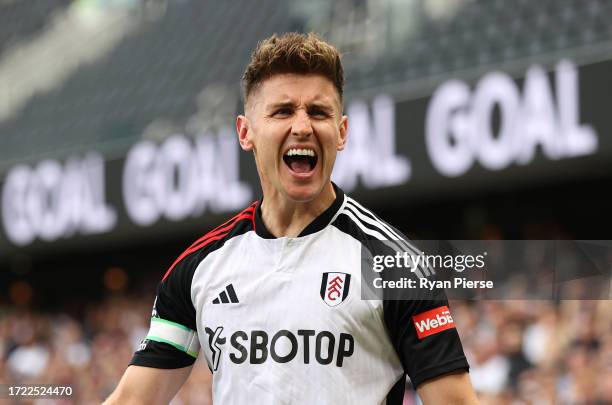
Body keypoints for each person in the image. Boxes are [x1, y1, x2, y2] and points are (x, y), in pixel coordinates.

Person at [104, 32, 479, 404]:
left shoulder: (394, 264)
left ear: (342, 132)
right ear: (245, 131)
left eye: (318, 112)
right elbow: (133, 400)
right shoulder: (198, 268)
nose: (302, 126)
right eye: (283, 111)